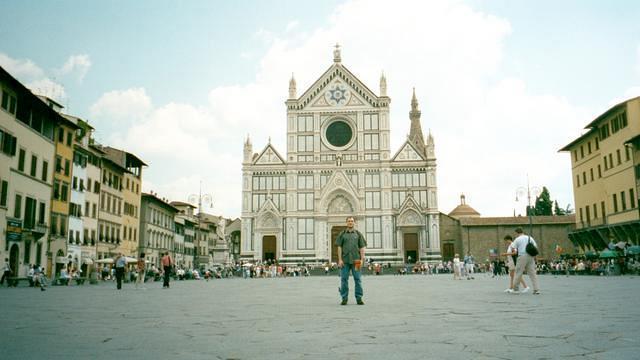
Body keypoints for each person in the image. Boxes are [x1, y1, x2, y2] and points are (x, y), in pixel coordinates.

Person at [336, 216, 366, 305]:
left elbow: (362, 247)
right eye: (349, 221)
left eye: (352, 221)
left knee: (358, 279)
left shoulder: (358, 234)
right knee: (344, 279)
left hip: (356, 261)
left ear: (354, 223)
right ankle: (344, 298)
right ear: (346, 223)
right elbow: (339, 247)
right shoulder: (342, 234)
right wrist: (340, 259)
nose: (350, 222)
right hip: (345, 261)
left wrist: (362, 259)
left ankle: (359, 298)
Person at [508, 228, 540, 295]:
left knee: (518, 272)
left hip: (522, 256)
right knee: (532, 273)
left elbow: (513, 248)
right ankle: (536, 289)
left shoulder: (517, 239)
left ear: (517, 233)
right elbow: (535, 246)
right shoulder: (530, 238)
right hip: (531, 256)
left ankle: (516, 289)